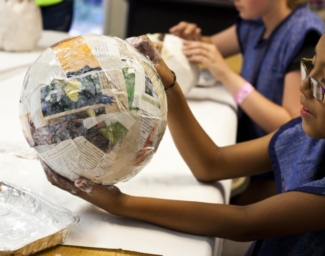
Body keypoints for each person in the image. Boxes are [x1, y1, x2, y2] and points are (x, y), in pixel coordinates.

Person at [41, 33, 325, 255]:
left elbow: (244, 222)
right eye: (311, 66)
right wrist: (168, 83)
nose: (305, 85)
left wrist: (120, 203)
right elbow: (211, 164)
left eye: (323, 83)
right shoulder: (303, 134)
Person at [169, 0, 325, 204]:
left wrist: (226, 75)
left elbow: (293, 124)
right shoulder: (257, 20)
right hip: (252, 152)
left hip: (271, 172)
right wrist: (190, 42)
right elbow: (209, 46)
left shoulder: (305, 34)